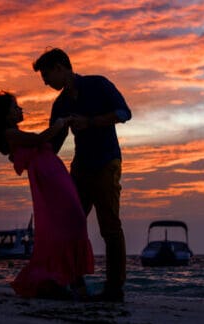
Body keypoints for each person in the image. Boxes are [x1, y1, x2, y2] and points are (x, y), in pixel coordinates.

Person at [33, 48, 132, 302]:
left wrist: (90, 122)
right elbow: (54, 144)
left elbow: (124, 113)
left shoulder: (97, 85)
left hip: (107, 162)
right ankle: (72, 283)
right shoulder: (60, 104)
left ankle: (114, 288)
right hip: (80, 168)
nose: (45, 82)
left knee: (109, 226)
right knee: (68, 224)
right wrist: (31, 153)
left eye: (46, 75)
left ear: (60, 67)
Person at [0, 91, 94, 300]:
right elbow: (38, 138)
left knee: (74, 222)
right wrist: (58, 125)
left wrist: (62, 125)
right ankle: (66, 282)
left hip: (54, 175)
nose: (20, 109)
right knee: (71, 223)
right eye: (15, 107)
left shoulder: (14, 133)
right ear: (5, 115)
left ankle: (69, 282)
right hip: (48, 180)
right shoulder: (10, 134)